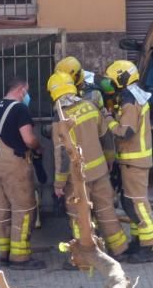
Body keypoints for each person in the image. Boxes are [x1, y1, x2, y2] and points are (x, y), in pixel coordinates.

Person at [48, 70, 129, 266]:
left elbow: (62, 157)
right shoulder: (91, 107)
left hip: (77, 180)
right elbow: (106, 138)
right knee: (107, 210)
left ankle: (84, 258)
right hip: (100, 172)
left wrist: (59, 184)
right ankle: (120, 251)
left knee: (79, 217)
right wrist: (109, 161)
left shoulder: (60, 121)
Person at [102, 60, 153, 263]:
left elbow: (126, 131)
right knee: (129, 203)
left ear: (121, 78)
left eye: (111, 81)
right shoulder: (133, 95)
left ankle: (151, 246)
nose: (109, 85)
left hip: (135, 161)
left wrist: (108, 118)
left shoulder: (129, 99)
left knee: (138, 203)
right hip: (132, 160)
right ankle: (139, 240)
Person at [0, 77, 45, 269]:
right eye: (26, 91)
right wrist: (38, 147)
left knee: (2, 208)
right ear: (20, 90)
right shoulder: (20, 109)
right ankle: (20, 257)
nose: (27, 95)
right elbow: (28, 139)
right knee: (24, 208)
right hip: (14, 162)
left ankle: (3, 253)